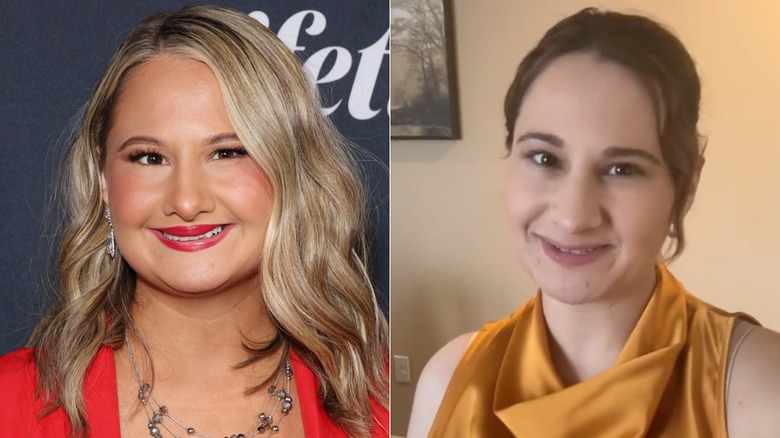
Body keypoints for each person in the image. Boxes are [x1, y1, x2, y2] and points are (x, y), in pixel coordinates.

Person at [0, 5, 388, 438]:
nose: (186, 201)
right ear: (102, 178)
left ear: (293, 170)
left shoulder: (383, 400)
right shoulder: (11, 402)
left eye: (228, 152)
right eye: (149, 157)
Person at [407, 8, 780, 438]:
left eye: (621, 169)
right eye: (544, 159)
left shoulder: (758, 390)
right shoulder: (449, 379)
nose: (573, 214)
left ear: (685, 186)